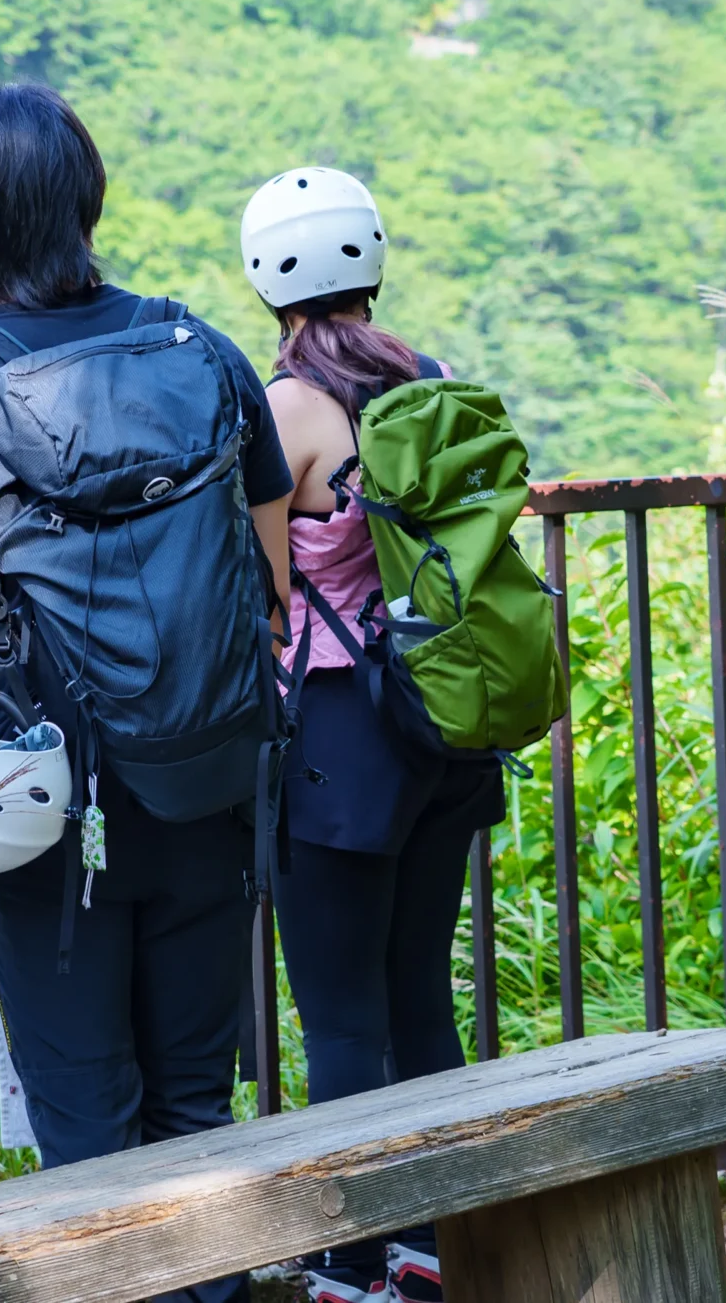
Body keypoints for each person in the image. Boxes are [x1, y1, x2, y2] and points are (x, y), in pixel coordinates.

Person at [0, 84, 293, 1303]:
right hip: (211, 785)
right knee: (192, 1107)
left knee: (84, 1130)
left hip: (40, 817)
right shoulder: (204, 353)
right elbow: (266, 583)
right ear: (86, 197)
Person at [240, 168, 503, 1303]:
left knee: (339, 1018)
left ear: (266, 277)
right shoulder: (436, 382)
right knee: (419, 996)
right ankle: (435, 1246)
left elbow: (257, 588)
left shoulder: (283, 411)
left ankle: (352, 1262)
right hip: (441, 721)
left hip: (337, 735)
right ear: (374, 259)